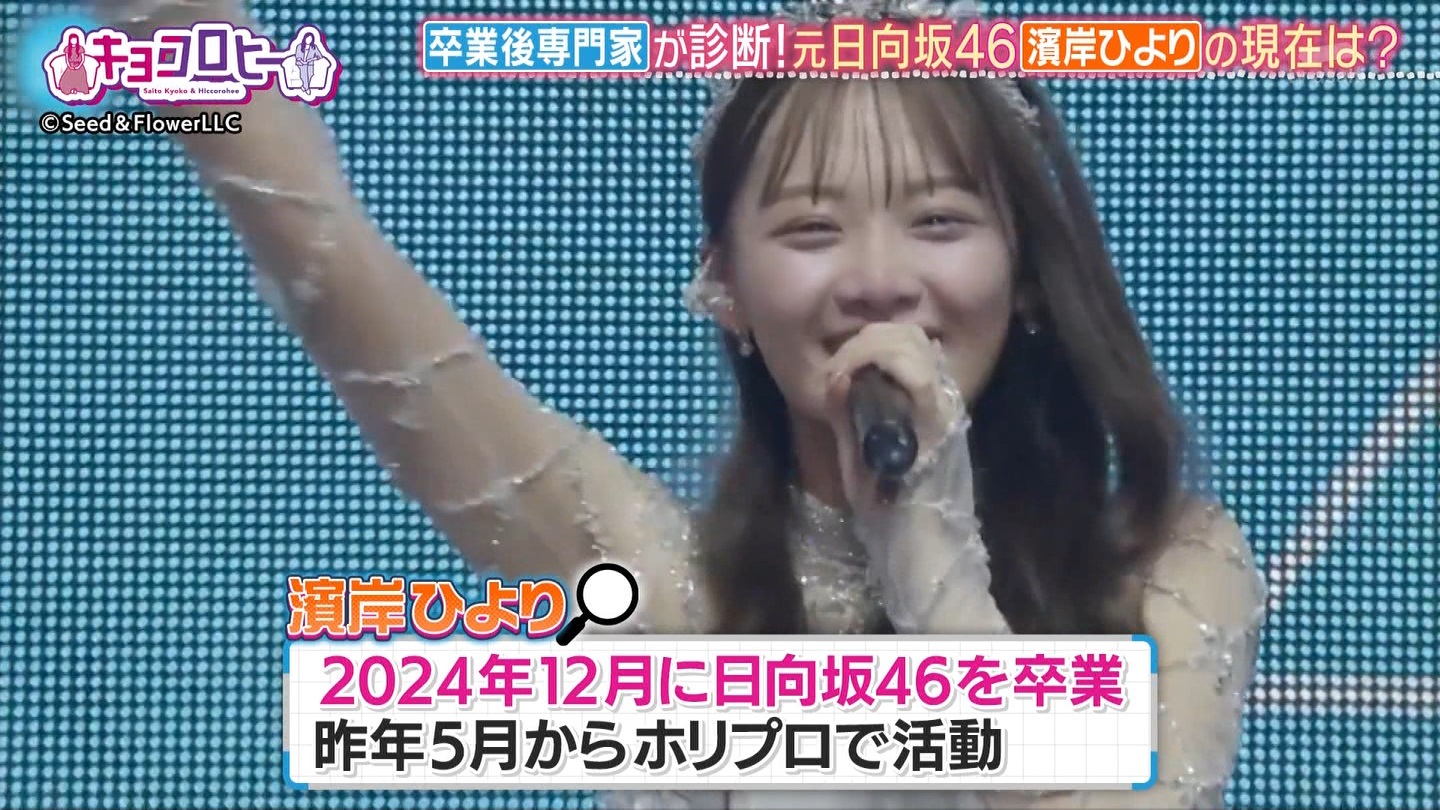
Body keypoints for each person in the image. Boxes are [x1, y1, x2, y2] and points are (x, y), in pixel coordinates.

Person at [97, 0, 1268, 807]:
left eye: (939, 221)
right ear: (726, 287)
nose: (877, 278)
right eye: (811, 228)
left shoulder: (1170, 574)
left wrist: (936, 566)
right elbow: (342, 277)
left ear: (1025, 278)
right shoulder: (657, 585)